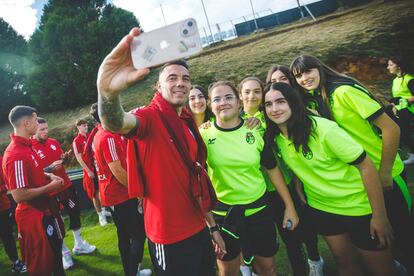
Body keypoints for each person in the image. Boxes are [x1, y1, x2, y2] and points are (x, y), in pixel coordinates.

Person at [96, 27, 225, 276]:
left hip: (199, 226)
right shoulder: (149, 117)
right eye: (172, 78)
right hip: (169, 236)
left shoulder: (187, 120)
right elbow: (114, 122)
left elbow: (195, 177)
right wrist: (107, 93)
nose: (180, 83)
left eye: (185, 79)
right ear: (158, 86)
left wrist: (212, 227)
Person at [291, 54, 414, 274]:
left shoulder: (343, 91)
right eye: (298, 76)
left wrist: (385, 172)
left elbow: (391, 128)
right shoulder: (317, 97)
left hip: (387, 173)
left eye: (308, 72)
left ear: (318, 68)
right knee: (386, 243)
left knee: (404, 237)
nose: (304, 79)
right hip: (363, 179)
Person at [263, 82, 396, 276]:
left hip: (359, 207)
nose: (274, 109)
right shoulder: (275, 138)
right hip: (323, 208)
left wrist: (380, 216)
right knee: (344, 262)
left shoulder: (323, 129)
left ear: (293, 102)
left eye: (280, 101)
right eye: (268, 104)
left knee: (380, 269)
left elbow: (366, 167)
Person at [200, 80, 299, 276]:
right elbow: (197, 182)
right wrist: (210, 225)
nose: (223, 102)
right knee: (228, 271)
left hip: (259, 211)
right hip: (224, 215)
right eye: (217, 99)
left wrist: (290, 206)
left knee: (267, 269)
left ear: (239, 102)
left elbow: (272, 169)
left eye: (228, 97)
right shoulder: (202, 136)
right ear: (211, 105)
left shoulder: (255, 130)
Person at [266, 65, 324, 276]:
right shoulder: (268, 117)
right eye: (273, 80)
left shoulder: (308, 112)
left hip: (304, 181)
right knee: (289, 233)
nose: (279, 83)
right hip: (279, 187)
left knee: (309, 226)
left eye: (283, 78)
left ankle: (315, 260)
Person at [2, 105, 65, 276]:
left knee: (56, 260)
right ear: (26, 123)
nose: (38, 122)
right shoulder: (15, 154)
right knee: (42, 266)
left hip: (45, 211)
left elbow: (34, 172)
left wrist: (48, 176)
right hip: (34, 217)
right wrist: (50, 187)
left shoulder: (27, 146)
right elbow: (19, 195)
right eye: (36, 119)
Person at [32, 117, 96, 270]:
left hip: (66, 186)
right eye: (42, 129)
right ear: (34, 130)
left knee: (75, 213)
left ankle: (79, 244)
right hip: (50, 191)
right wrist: (49, 168)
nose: (45, 132)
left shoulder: (53, 142)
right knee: (56, 222)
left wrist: (64, 159)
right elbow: (34, 173)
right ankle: (64, 252)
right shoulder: (30, 148)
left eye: (46, 128)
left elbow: (61, 163)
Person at [72, 118, 108, 226]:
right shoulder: (76, 141)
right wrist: (88, 171)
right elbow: (79, 158)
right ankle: (100, 215)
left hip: (97, 167)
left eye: (86, 125)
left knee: (102, 190)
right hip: (90, 170)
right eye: (83, 126)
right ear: (78, 127)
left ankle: (105, 210)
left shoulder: (90, 137)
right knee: (94, 194)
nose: (86, 127)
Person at [0, 155, 26, 273]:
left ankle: (16, 263)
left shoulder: (1, 160)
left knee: (7, 235)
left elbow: (8, 182)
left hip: (2, 207)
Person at [387, 56, 414, 164]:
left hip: (410, 110)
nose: (388, 67)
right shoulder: (395, 81)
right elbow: (396, 98)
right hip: (400, 110)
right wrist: (393, 105)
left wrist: (405, 102)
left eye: (390, 64)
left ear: (398, 66)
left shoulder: (409, 79)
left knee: (402, 130)